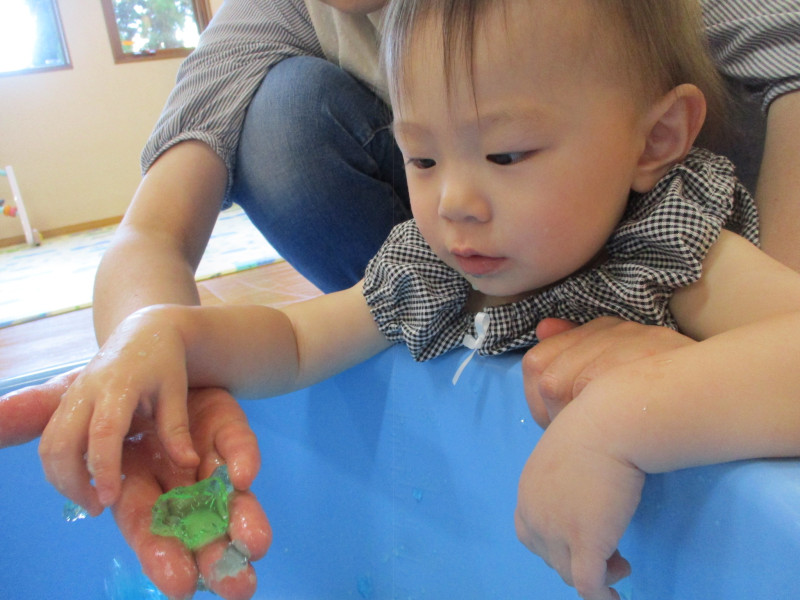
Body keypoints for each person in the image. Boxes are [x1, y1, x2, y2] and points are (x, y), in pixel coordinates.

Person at [0, 1, 798, 598]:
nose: (454, 202)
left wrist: (620, 420)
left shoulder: (674, 246)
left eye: (505, 154)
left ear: (655, 140)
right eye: (421, 157)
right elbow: (297, 342)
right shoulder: (435, 267)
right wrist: (169, 336)